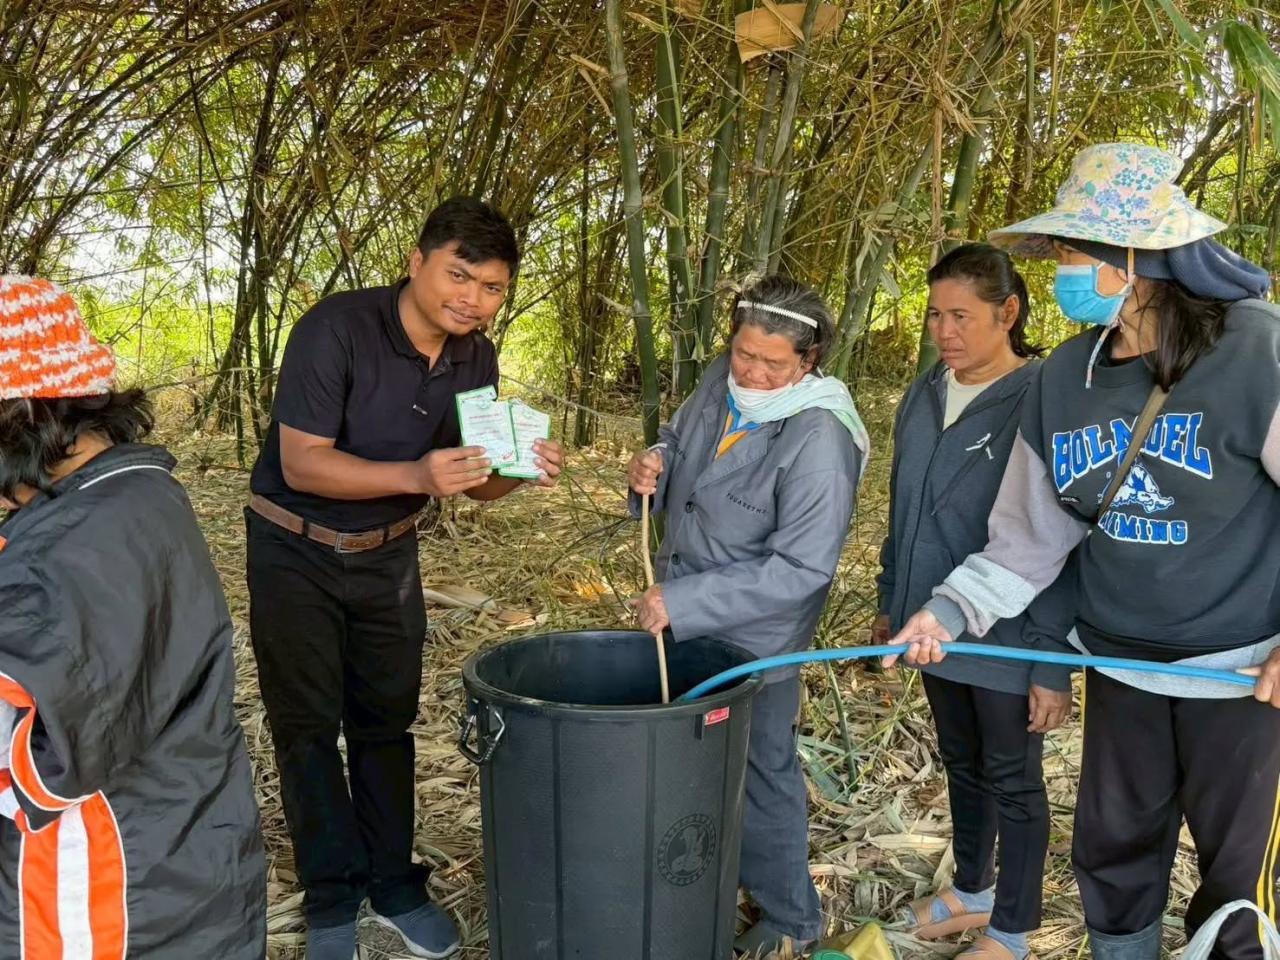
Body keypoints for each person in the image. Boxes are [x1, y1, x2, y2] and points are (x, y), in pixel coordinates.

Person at [889, 142, 1280, 960]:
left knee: (1239, 885)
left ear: (1132, 257)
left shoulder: (1254, 351)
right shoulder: (1066, 377)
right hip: (1121, 666)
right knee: (1113, 856)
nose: (1060, 270)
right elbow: (1030, 536)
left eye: (1071, 251)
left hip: (1242, 677)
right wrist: (947, 609)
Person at [245, 197, 564, 960]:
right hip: (297, 549)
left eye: (491, 288)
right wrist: (415, 471)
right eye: (460, 275)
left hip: (388, 554)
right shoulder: (337, 328)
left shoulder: (473, 355)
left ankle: (393, 882)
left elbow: (474, 480)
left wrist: (520, 471)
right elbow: (302, 461)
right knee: (307, 726)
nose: (473, 299)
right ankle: (330, 897)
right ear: (417, 262)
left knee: (386, 721)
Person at [0, 275, 267, 957]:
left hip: (99, 900)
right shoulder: (129, 492)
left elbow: (33, 751)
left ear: (24, 414)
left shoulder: (78, 548)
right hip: (177, 867)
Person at [627, 275, 870, 957]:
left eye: (772, 363)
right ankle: (697, 876)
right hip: (678, 608)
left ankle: (791, 915)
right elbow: (679, 439)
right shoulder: (721, 381)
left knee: (761, 769)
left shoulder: (820, 438)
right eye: (743, 354)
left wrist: (685, 602)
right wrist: (653, 463)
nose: (753, 372)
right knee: (684, 753)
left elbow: (802, 569)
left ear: (809, 362)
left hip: (754, 639)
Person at [874, 244, 1076, 960]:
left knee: (1013, 778)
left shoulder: (1048, 394)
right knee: (961, 760)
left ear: (1009, 313)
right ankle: (974, 888)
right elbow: (905, 504)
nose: (944, 330)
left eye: (961, 315)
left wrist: (1052, 659)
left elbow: (1065, 537)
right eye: (935, 314)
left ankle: (1013, 931)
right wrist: (890, 595)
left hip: (1008, 633)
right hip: (930, 621)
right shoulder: (928, 389)